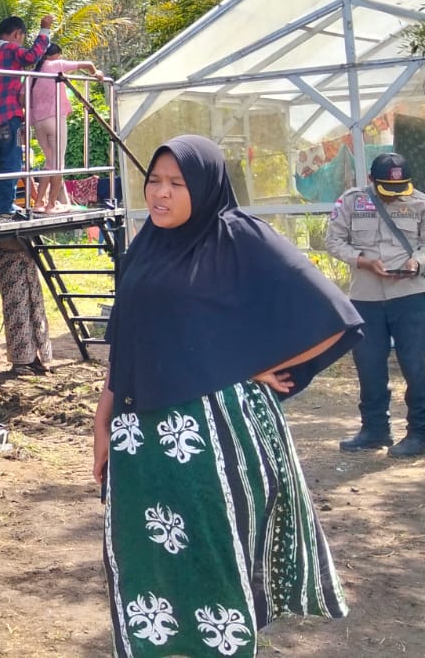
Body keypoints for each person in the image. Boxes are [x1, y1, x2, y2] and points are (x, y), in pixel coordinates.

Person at [95, 135, 360, 658]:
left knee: (215, 562)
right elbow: (124, 343)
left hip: (215, 438)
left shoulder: (237, 236)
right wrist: (101, 424)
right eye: (154, 181)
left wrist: (259, 361)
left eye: (177, 183)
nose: (160, 195)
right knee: (142, 560)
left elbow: (333, 312)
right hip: (139, 440)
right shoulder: (145, 246)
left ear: (206, 186)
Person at [324, 152, 425, 456]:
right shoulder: (351, 202)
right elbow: (333, 240)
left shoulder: (420, 202)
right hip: (365, 297)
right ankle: (374, 430)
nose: (395, 196)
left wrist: (416, 262)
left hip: (411, 296)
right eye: (386, 188)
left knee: (417, 366)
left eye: (400, 188)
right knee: (368, 366)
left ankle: (420, 432)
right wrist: (362, 261)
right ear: (370, 180)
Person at [0, 14, 54, 215]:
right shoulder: (11, 49)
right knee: (11, 161)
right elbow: (31, 57)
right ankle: (4, 206)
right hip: (7, 113)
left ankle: (1, 204)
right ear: (17, 34)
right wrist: (44, 30)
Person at [28, 44, 104, 212]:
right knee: (58, 164)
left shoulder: (33, 72)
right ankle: (51, 204)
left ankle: (39, 202)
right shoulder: (56, 65)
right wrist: (96, 73)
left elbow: (22, 95)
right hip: (55, 118)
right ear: (56, 55)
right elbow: (88, 64)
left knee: (49, 162)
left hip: (38, 122)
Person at [0, 238, 53, 375]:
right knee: (17, 311)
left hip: (26, 254)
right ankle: (20, 361)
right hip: (8, 255)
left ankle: (34, 357)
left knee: (35, 307)